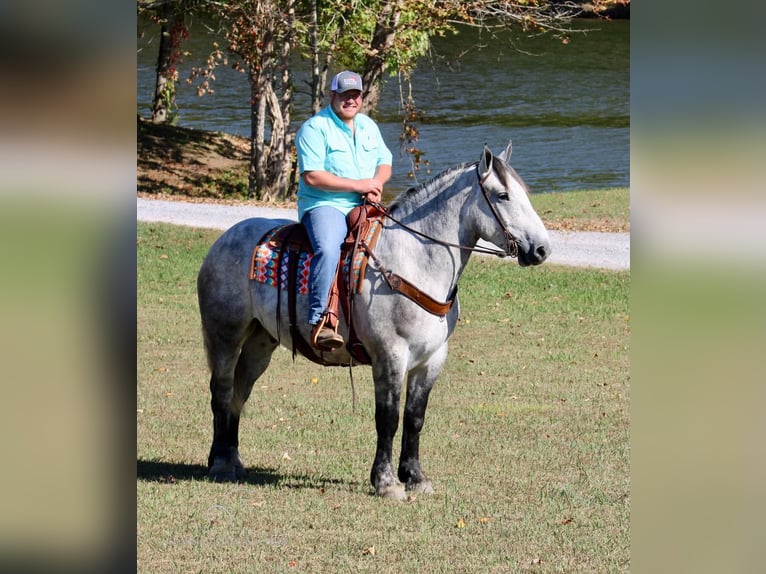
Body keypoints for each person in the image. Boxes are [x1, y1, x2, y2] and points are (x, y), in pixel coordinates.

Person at [295, 70, 393, 351]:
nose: (351, 100)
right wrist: (359, 185)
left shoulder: (367, 126)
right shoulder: (315, 128)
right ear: (332, 96)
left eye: (356, 95)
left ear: (361, 97)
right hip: (326, 205)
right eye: (345, 95)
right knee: (328, 247)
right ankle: (321, 321)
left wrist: (376, 183)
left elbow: (384, 161)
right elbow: (312, 176)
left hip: (364, 202)